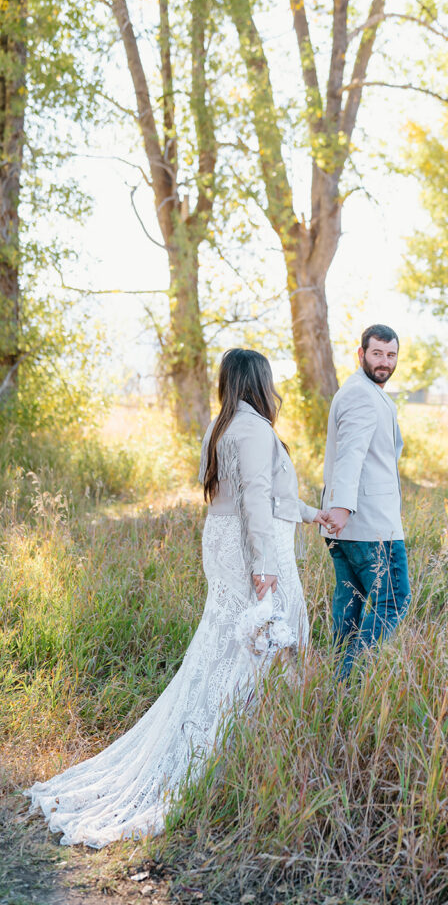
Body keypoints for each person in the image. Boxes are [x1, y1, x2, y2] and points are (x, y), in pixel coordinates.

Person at [25, 349, 325, 848]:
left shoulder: (220, 426)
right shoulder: (252, 429)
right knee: (262, 639)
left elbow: (261, 495)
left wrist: (315, 516)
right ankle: (231, 752)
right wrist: (265, 565)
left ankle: (238, 741)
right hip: (251, 547)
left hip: (226, 539)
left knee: (229, 642)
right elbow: (254, 495)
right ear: (260, 382)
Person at [322, 324, 410, 678]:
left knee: (351, 608)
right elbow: (351, 454)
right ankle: (350, 676)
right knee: (393, 599)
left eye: (391, 355)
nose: (384, 362)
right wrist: (342, 507)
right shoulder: (360, 394)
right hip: (369, 525)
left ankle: (334, 682)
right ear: (361, 354)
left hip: (351, 528)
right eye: (377, 353)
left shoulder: (364, 392)